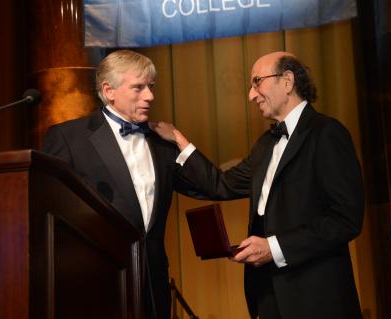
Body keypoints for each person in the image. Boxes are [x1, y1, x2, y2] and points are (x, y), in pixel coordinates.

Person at [154, 51, 365, 318]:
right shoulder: (266, 144)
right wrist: (178, 141)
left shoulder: (327, 133)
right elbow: (221, 184)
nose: (251, 95)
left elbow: (346, 219)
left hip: (316, 298)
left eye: (257, 82)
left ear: (287, 81)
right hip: (267, 295)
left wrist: (274, 248)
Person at [41, 49, 200, 319]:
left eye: (151, 87)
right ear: (109, 90)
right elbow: (52, 212)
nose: (149, 96)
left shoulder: (162, 140)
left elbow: (207, 186)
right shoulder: (68, 137)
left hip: (155, 285)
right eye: (138, 87)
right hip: (97, 286)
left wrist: (181, 141)